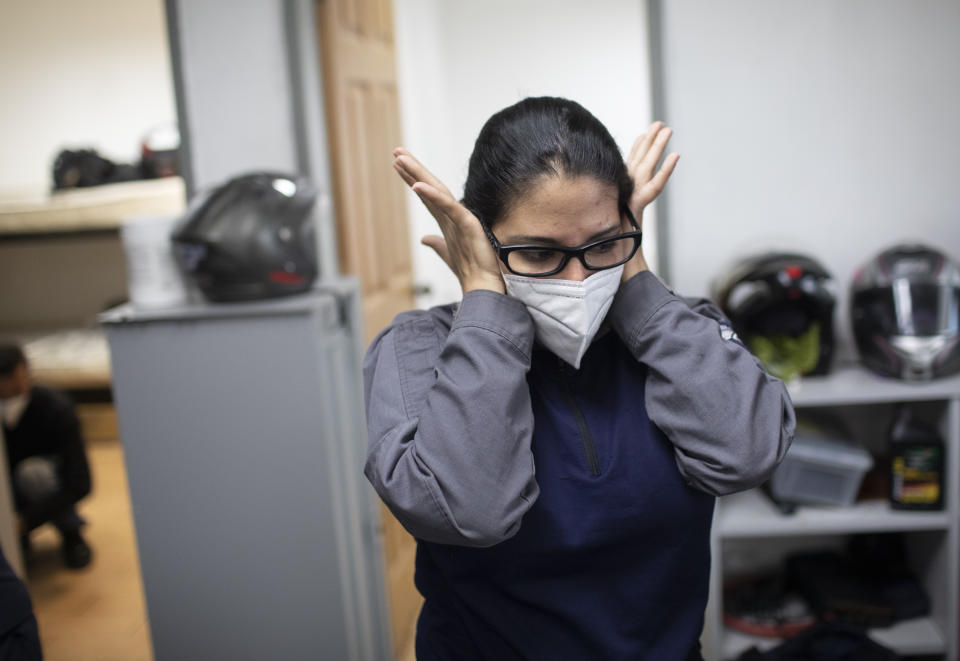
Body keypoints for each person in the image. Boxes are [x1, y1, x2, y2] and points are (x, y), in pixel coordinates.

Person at [363, 97, 795, 660]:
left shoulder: (681, 330)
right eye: (540, 253)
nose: (577, 279)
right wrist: (486, 304)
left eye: (601, 244)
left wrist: (633, 277)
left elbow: (748, 454)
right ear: (481, 239)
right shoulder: (419, 348)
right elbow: (471, 511)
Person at [0, 345, 92, 570]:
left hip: (50, 489)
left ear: (21, 372)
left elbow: (80, 482)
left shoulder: (56, 409)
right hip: (7, 495)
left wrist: (25, 521)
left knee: (33, 473)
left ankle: (71, 534)